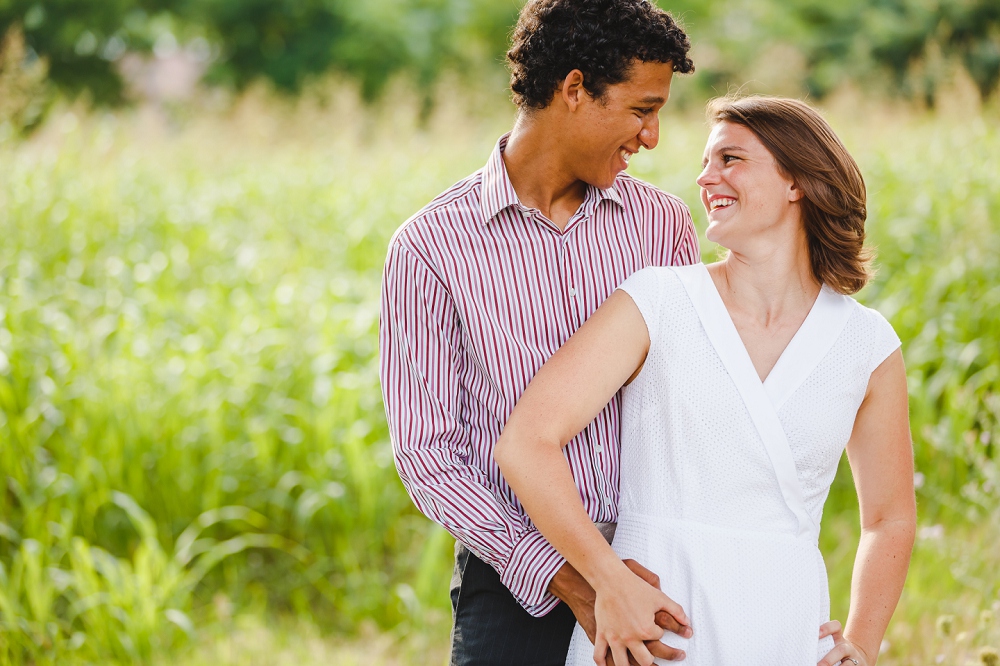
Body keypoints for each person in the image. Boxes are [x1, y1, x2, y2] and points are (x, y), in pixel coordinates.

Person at [495, 96, 916, 666]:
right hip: (656, 633)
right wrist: (608, 580)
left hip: (786, 632)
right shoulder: (658, 301)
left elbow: (889, 518)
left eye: (730, 159)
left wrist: (862, 646)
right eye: (705, 162)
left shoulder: (867, 344)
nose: (704, 177)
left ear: (798, 180)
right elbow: (527, 442)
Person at [379, 1, 700, 663]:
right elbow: (428, 456)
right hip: (514, 586)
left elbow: (691, 403)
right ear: (575, 90)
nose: (653, 137)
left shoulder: (661, 226)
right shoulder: (431, 247)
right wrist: (575, 580)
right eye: (643, 109)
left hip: (659, 570)